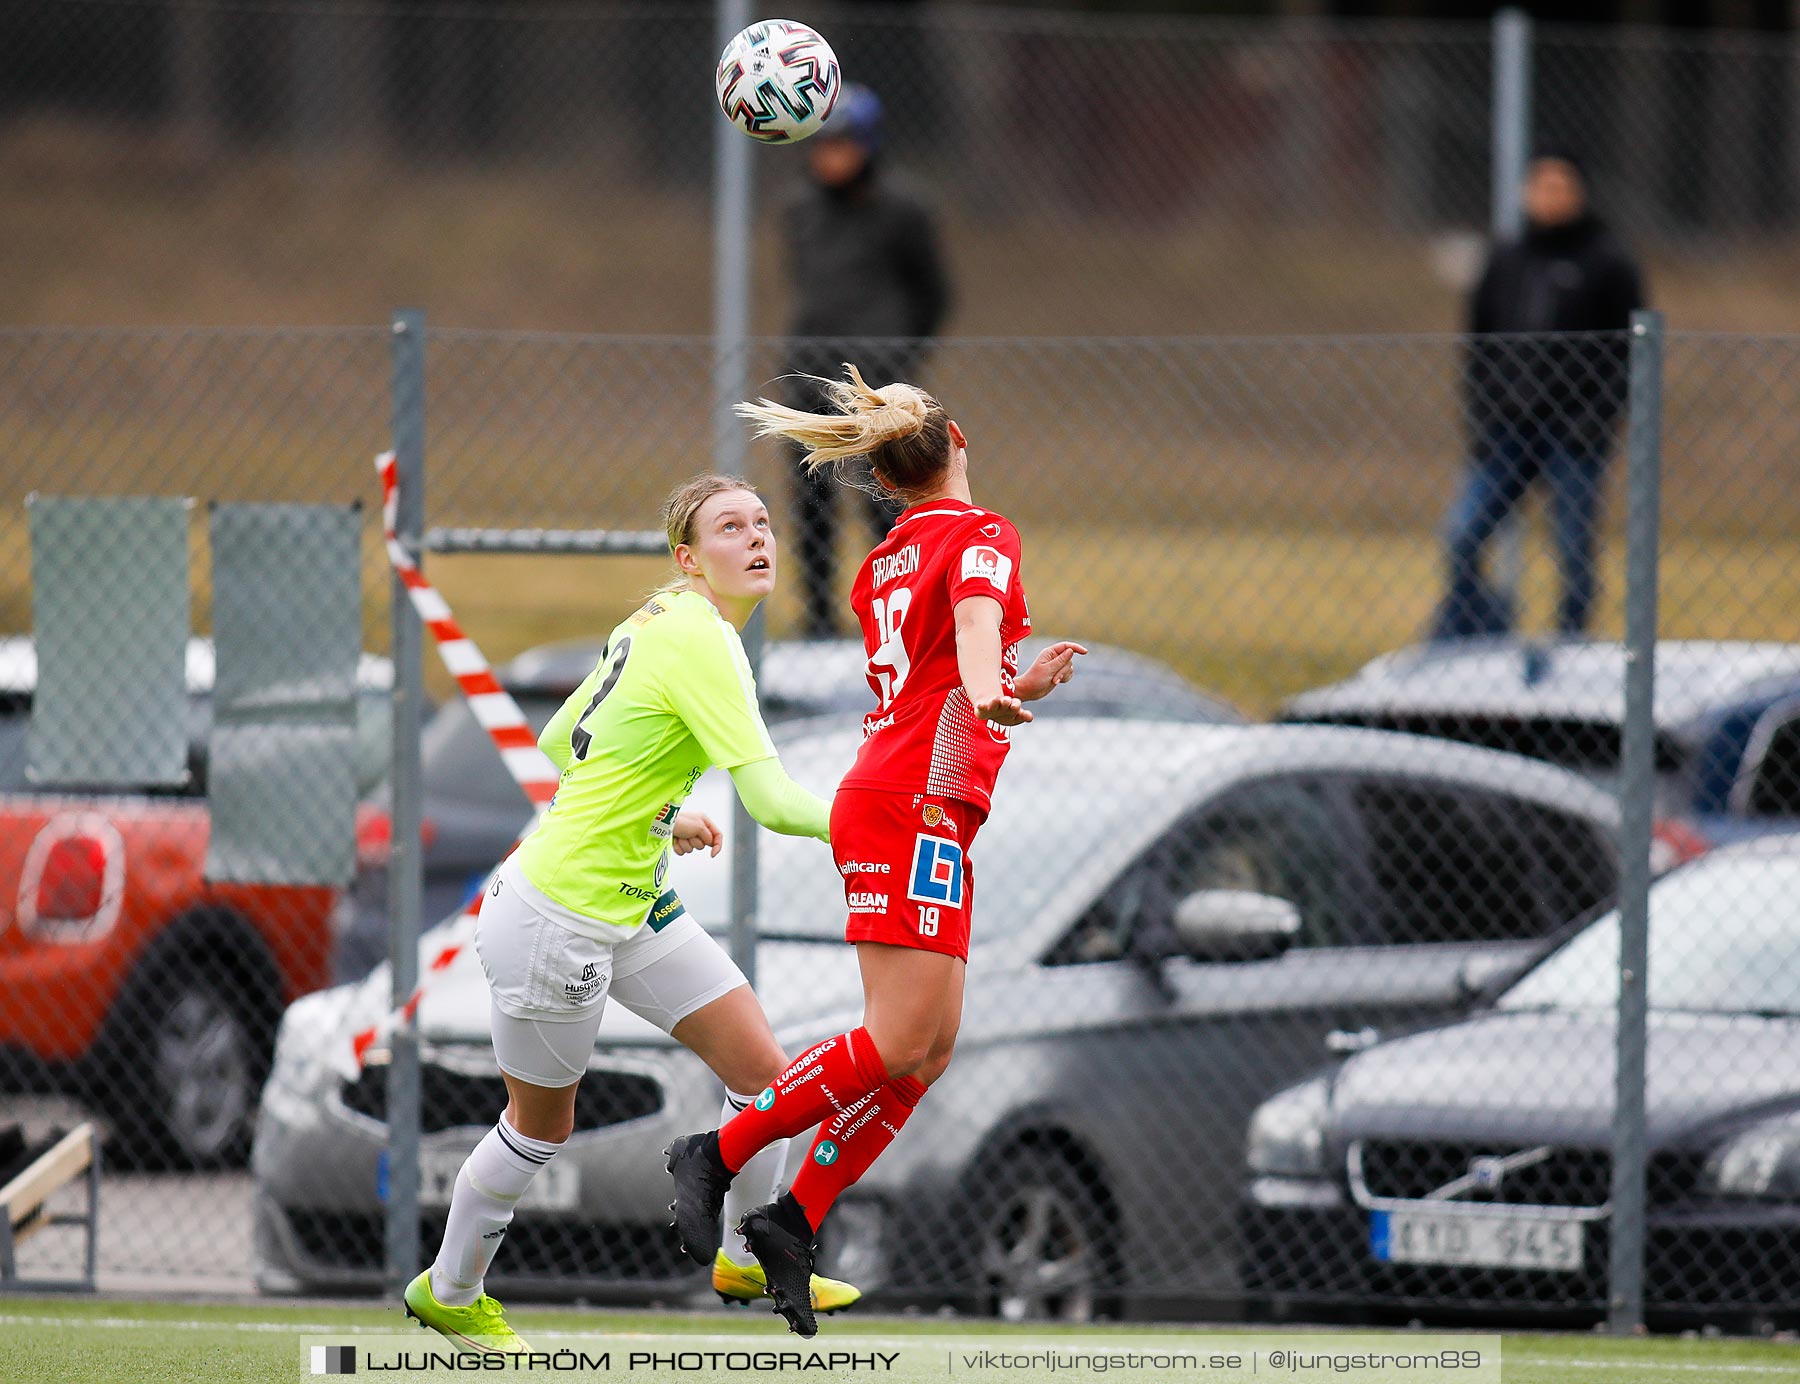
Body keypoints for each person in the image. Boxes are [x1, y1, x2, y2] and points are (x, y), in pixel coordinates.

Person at [665, 366, 1085, 1337]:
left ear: (887, 481)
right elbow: (970, 645)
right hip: (908, 802)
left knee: (925, 1051)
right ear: (959, 441)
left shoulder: (884, 558)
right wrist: (992, 687)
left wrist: (1012, 683)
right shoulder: (982, 534)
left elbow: (939, 672)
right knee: (898, 1040)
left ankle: (791, 1217)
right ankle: (718, 1154)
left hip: (917, 797)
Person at [402, 475, 861, 1353]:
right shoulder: (704, 639)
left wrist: (658, 812)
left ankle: (742, 1256)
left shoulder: (657, 617)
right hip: (554, 918)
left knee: (765, 1076)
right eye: (732, 527)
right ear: (690, 559)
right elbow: (767, 798)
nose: (758, 538)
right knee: (541, 1128)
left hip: (633, 903)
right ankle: (450, 1289)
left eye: (764, 523)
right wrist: (866, 822)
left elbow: (559, 741)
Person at [1433, 149, 1646, 640]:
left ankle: (1570, 642)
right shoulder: (1507, 257)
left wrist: (1594, 422)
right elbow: (1478, 344)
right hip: (1506, 428)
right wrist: (1482, 416)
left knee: (1572, 548)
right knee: (1462, 534)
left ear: (1579, 193)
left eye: (1562, 187)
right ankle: (1471, 631)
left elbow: (1633, 352)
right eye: (1542, 187)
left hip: (1574, 434)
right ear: (1526, 193)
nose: (1551, 197)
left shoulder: (1607, 262)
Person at [783, 84, 953, 638]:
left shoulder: (904, 209)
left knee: (888, 505)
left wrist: (898, 358)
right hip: (811, 370)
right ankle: (818, 624)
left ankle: (896, 623)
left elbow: (933, 293)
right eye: (822, 144)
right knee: (811, 502)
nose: (831, 156)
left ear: (868, 146)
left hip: (878, 384)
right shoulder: (799, 209)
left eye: (844, 145)